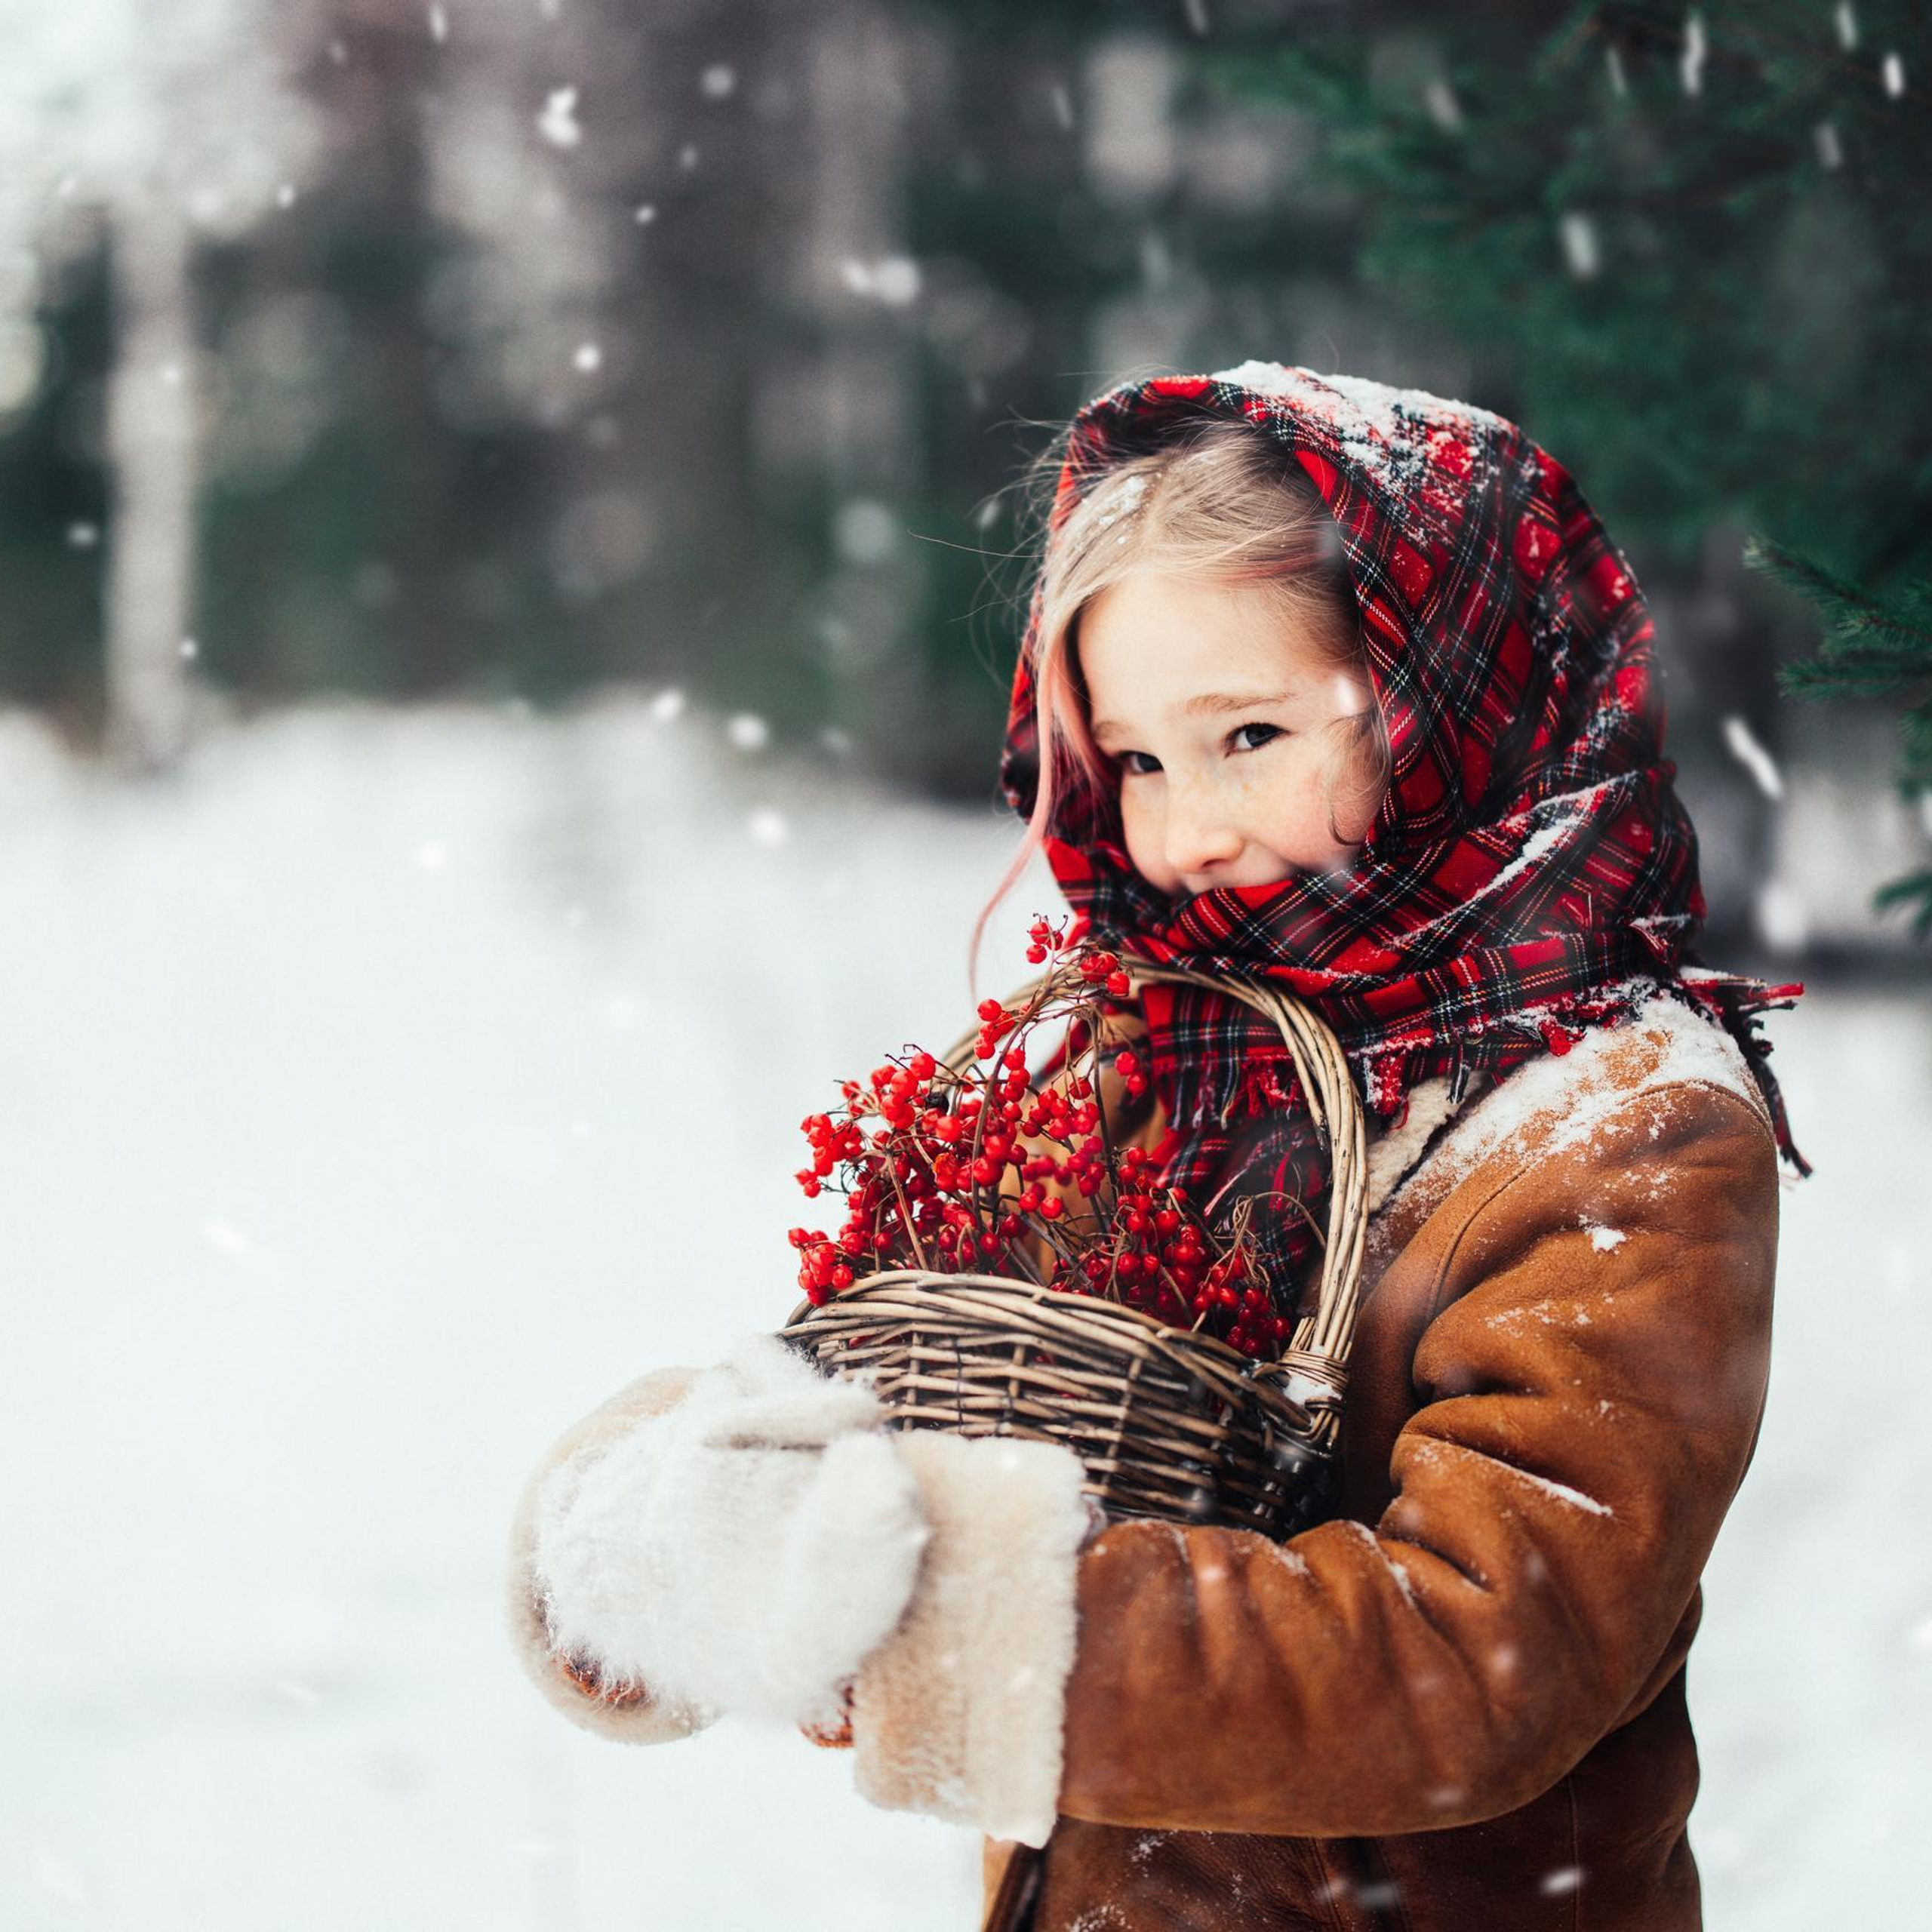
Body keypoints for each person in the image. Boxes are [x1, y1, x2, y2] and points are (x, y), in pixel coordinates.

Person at [506, 361, 1810, 1932]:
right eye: (1131, 759)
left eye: (1247, 733)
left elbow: (1477, 1657)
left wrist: (943, 1605)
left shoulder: (1618, 1130)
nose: (1184, 831)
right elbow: (953, 1370)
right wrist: (697, 1509)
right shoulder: (1180, 1047)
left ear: (1453, 692)